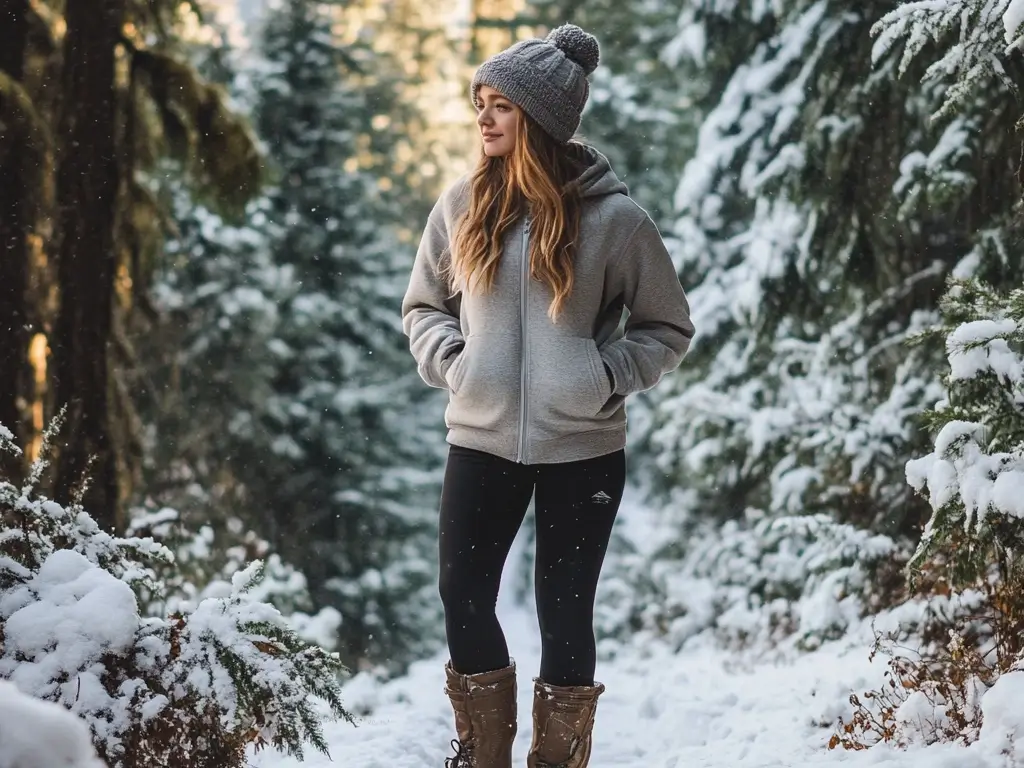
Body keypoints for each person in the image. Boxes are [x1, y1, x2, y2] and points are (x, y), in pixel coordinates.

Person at [401, 22, 694, 768]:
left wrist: (603, 376)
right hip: (480, 437)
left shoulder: (616, 221)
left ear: (541, 119)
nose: (485, 117)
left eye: (502, 105)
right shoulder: (462, 205)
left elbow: (667, 326)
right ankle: (484, 756)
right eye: (481, 101)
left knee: (564, 615)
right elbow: (423, 305)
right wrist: (455, 364)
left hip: (583, 450)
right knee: (463, 600)